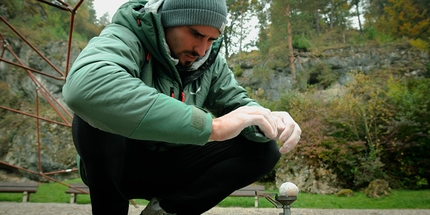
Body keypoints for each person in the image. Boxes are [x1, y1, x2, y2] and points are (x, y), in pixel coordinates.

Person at [62, 0, 301, 214]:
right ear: (168, 20)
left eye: (211, 39)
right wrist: (211, 126)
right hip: (120, 167)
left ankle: (166, 211)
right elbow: (84, 87)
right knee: (93, 113)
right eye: (195, 34)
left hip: (175, 167)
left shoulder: (209, 61)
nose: (201, 50)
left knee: (264, 149)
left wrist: (270, 120)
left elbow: (239, 105)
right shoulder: (125, 36)